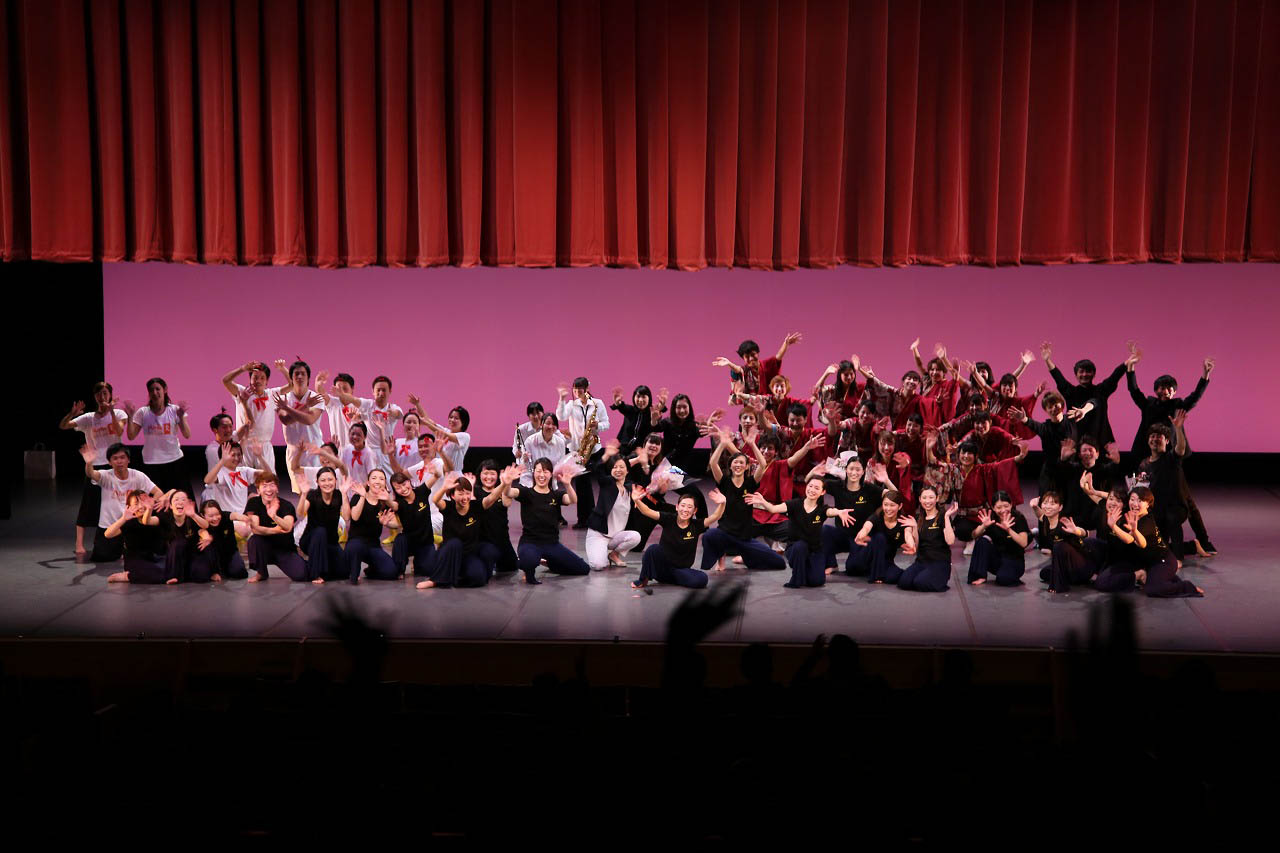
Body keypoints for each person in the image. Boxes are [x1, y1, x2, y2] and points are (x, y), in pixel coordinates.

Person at [1126, 351, 1215, 554]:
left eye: (1169, 388)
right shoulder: (1149, 404)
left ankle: (1204, 540)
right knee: (1144, 493)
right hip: (1148, 457)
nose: (1164, 391)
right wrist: (1130, 368)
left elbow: (1195, 397)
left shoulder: (1177, 405)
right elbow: (1134, 391)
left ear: (1174, 391)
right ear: (1156, 390)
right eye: (1161, 387)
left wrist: (1205, 375)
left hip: (1172, 457)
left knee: (1186, 499)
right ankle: (1148, 535)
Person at [746, 477, 856, 588]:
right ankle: (796, 579)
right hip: (795, 549)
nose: (812, 490)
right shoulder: (795, 504)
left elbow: (831, 511)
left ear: (822, 492)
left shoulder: (822, 509)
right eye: (810, 486)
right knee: (801, 546)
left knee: (816, 581)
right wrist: (763, 502)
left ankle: (805, 571)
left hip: (814, 550)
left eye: (816, 488)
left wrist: (839, 512)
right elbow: (773, 509)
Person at [698, 437, 787, 573]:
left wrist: (752, 444)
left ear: (746, 467)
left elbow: (762, 464)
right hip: (725, 534)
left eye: (741, 463)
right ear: (730, 466)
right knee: (709, 535)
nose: (738, 465)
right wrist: (722, 444)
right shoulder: (724, 482)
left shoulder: (750, 483)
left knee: (779, 563)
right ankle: (721, 556)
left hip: (745, 538)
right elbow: (713, 463)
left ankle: (747, 557)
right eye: (735, 462)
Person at [61, 382, 128, 555]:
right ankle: (79, 544)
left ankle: (123, 544)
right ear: (95, 397)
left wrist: (111, 411)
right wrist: (72, 414)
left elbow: (119, 432)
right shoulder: (89, 418)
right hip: (95, 464)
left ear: (110, 395)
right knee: (88, 503)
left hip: (115, 465)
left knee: (118, 504)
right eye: (98, 394)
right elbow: (63, 425)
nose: (102, 396)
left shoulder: (119, 413)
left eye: (105, 393)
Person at [415, 473, 507, 589]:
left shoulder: (476, 507)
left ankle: (454, 579)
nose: (465, 497)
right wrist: (444, 488)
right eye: (461, 494)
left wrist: (504, 483)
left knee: (479, 578)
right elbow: (435, 500)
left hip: (468, 554)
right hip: (450, 552)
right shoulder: (448, 507)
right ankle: (435, 581)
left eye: (467, 493)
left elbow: (491, 497)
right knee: (455, 543)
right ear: (453, 496)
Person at [510, 458, 591, 584]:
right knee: (529, 561)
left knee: (583, 568)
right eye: (538, 471)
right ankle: (525, 562)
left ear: (551, 474)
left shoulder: (556, 495)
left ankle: (549, 563)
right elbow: (510, 492)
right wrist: (507, 482)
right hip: (530, 542)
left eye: (545, 472)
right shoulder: (526, 493)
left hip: (552, 544)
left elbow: (573, 500)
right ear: (534, 473)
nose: (541, 475)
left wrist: (567, 484)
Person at [629, 486, 728, 589]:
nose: (685, 510)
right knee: (653, 549)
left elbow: (715, 516)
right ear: (677, 507)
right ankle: (643, 580)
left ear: (695, 510)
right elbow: (647, 511)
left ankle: (674, 579)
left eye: (689, 507)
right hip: (662, 569)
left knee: (702, 579)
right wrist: (636, 500)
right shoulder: (668, 519)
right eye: (683, 506)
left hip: (680, 571)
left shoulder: (696, 525)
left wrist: (723, 503)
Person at [80, 443, 165, 563]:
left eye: (122, 457)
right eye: (115, 458)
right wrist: (89, 463)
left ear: (128, 460)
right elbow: (91, 474)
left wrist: (147, 507)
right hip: (110, 525)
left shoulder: (138, 476)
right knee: (101, 557)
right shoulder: (106, 476)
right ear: (110, 462)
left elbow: (158, 493)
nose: (119, 461)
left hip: (132, 525)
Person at [1040, 341, 1130, 447]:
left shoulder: (1101, 390)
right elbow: (1058, 377)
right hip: (1077, 443)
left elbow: (1115, 376)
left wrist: (1128, 362)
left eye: (1088, 371)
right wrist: (1047, 360)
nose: (1084, 374)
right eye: (1081, 371)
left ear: (1094, 374)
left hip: (1101, 441)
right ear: (1076, 374)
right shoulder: (1071, 392)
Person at [1006, 391, 1093, 495]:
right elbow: (1034, 425)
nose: (1053, 409)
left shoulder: (1072, 419)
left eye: (1056, 405)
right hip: (1051, 473)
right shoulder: (1045, 428)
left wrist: (1084, 410)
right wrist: (1023, 419)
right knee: (1046, 501)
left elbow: (1094, 401)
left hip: (1070, 470)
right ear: (1046, 410)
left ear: (1062, 404)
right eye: (1050, 407)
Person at [1133, 411, 1190, 563]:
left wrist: (1178, 428)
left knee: (1172, 518)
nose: (1155, 439)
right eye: (1152, 436)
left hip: (1175, 508)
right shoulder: (1144, 464)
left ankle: (1178, 558)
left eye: (1159, 437)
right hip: (1156, 510)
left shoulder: (1171, 458)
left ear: (1167, 441)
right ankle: (1191, 546)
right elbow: (1141, 488)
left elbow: (1181, 448)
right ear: (1148, 441)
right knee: (1159, 543)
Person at [815, 456, 884, 574]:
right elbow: (811, 484)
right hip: (842, 535)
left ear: (863, 472)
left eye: (858, 469)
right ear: (846, 470)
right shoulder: (837, 486)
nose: (854, 472)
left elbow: (894, 496)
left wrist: (886, 481)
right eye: (851, 469)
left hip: (860, 537)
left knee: (854, 568)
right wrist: (813, 473)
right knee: (824, 530)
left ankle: (863, 559)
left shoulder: (869, 488)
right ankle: (831, 564)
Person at [557, 377, 611, 528]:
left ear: (587, 388)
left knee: (601, 484)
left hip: (594, 449)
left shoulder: (598, 403)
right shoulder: (571, 404)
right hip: (578, 450)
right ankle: (583, 520)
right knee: (581, 487)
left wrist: (598, 425)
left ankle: (599, 517)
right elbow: (561, 416)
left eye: (580, 389)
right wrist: (562, 399)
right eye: (575, 389)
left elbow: (607, 423)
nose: (577, 392)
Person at [124, 377, 191, 493]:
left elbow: (187, 435)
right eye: (151, 390)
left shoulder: (174, 410)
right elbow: (131, 436)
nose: (154, 393)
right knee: (154, 499)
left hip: (174, 459)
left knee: (178, 497)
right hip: (151, 461)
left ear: (165, 390)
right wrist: (130, 417)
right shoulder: (143, 412)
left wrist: (180, 417)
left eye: (157, 389)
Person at [583, 442, 643, 570]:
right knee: (598, 565)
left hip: (615, 537)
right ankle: (600, 551)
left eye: (621, 467)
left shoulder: (629, 488)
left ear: (627, 470)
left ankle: (614, 554)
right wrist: (606, 456)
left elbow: (646, 486)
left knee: (635, 537)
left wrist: (640, 461)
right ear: (610, 470)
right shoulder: (608, 483)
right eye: (614, 467)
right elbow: (597, 470)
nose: (618, 470)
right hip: (599, 534)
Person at [271, 360, 325, 492]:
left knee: (317, 491)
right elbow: (285, 420)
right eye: (296, 374)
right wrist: (306, 406)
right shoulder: (283, 398)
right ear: (291, 378)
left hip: (313, 450)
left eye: (303, 374)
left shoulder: (316, 398)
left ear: (308, 378)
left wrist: (287, 408)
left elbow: (309, 420)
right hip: (294, 451)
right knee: (301, 492)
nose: (300, 377)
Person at [220, 359, 283, 470]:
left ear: (267, 381)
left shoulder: (272, 394)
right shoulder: (242, 392)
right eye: (255, 377)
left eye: (262, 378)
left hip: (264, 445)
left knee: (267, 478)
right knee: (243, 478)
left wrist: (283, 369)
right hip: (244, 444)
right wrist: (242, 369)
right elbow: (225, 381)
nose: (258, 380)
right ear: (250, 379)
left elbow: (291, 385)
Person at [102, 491, 176, 584]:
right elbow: (108, 534)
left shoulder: (156, 517)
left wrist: (155, 504)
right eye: (136, 504)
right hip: (137, 559)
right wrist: (123, 518)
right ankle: (128, 576)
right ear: (129, 506)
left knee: (173, 568)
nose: (141, 506)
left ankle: (164, 576)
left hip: (156, 557)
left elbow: (147, 521)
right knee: (153, 572)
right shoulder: (129, 522)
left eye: (143, 502)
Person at [244, 472, 306, 582]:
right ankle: (261, 573)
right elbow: (255, 528)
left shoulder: (286, 505)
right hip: (264, 548)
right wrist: (275, 530)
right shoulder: (253, 502)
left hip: (284, 549)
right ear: (258, 490)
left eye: (272, 485)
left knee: (301, 575)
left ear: (277, 488)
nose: (268, 489)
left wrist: (274, 516)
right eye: (264, 486)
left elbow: (288, 526)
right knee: (254, 540)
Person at [202, 440, 271, 537]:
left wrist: (259, 456)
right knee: (250, 529)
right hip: (228, 519)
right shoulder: (221, 472)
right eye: (233, 455)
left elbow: (269, 475)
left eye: (239, 455)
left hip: (243, 517)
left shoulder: (243, 471)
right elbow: (207, 480)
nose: (237, 458)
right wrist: (222, 461)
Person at [295, 466, 349, 583]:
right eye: (323, 480)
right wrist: (303, 494)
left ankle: (313, 565)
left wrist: (345, 494)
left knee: (345, 573)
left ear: (335, 480)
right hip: (311, 541)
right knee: (320, 531)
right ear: (317, 482)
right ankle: (316, 573)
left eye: (330, 479)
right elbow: (300, 513)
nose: (327, 483)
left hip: (330, 542)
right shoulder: (313, 495)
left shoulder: (338, 495)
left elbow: (346, 517)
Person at [897, 487, 957, 592]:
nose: (927, 501)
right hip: (922, 561)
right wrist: (914, 528)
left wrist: (947, 517)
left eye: (931, 497)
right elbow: (916, 546)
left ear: (937, 498)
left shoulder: (943, 516)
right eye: (924, 498)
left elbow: (950, 541)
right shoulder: (918, 517)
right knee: (904, 582)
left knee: (920, 582)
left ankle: (938, 578)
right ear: (920, 499)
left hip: (939, 562)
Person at [345, 470, 399, 584]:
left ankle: (370, 570)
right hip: (355, 543)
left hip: (373, 545)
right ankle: (353, 572)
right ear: (368, 483)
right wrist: (363, 496)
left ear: (385, 483)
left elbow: (396, 524)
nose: (378, 481)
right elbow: (354, 516)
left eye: (381, 479)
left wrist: (387, 523)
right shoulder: (358, 497)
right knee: (355, 549)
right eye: (374, 478)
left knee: (392, 572)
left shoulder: (384, 502)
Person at [966, 491, 1030, 586]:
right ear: (993, 508)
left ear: (1011, 504)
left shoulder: (1018, 518)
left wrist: (1009, 530)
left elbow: (1024, 543)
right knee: (982, 541)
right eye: (999, 507)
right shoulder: (991, 517)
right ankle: (980, 575)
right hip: (998, 558)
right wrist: (983, 526)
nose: (1003, 510)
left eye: (1006, 506)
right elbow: (974, 535)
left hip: (1014, 559)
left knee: (1003, 579)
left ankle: (1006, 574)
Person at [848, 490, 914, 583]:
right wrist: (861, 535)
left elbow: (908, 534)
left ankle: (877, 572)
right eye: (885, 505)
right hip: (867, 557)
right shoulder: (877, 516)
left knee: (894, 577)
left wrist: (911, 545)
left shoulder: (903, 520)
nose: (888, 508)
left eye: (892, 505)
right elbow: (866, 527)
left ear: (900, 506)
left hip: (884, 560)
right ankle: (877, 574)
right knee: (880, 537)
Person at [712, 332, 801, 396]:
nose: (751, 358)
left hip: (771, 407)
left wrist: (786, 344)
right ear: (743, 358)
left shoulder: (767, 364)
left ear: (758, 353)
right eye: (747, 357)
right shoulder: (745, 370)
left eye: (753, 354)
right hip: (752, 411)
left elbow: (778, 357)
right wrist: (729, 364)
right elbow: (738, 369)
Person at [328, 374, 403, 450]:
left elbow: (398, 414)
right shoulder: (368, 405)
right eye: (378, 390)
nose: (381, 393)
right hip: (369, 451)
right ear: (373, 391)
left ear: (390, 391)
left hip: (386, 450)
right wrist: (342, 395)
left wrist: (393, 413)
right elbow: (354, 400)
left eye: (384, 390)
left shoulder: (393, 407)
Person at [474, 460, 520, 575]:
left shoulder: (503, 490)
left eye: (492, 474)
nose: (489, 477)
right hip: (483, 541)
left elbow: (507, 503)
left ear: (498, 475)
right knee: (485, 568)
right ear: (479, 474)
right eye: (485, 473)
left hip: (502, 540)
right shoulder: (475, 491)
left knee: (512, 567)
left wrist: (507, 482)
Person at [388, 471, 437, 578]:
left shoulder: (421, 491)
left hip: (425, 542)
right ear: (395, 490)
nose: (403, 489)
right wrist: (386, 498)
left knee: (428, 571)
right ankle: (400, 570)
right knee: (400, 539)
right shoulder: (399, 502)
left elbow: (436, 476)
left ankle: (418, 564)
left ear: (409, 481)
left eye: (404, 484)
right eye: (398, 488)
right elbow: (392, 505)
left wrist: (436, 471)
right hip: (409, 543)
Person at [154, 489, 208, 582]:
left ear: (188, 503)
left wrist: (193, 515)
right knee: (178, 543)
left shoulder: (192, 516)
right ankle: (173, 576)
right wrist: (149, 509)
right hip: (172, 557)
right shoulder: (165, 517)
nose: (180, 502)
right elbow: (147, 521)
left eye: (183, 500)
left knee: (201, 576)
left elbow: (205, 525)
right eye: (176, 500)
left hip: (190, 555)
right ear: (171, 505)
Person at [188, 499, 248, 582]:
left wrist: (242, 517)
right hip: (209, 555)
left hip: (229, 553)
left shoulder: (225, 516)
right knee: (201, 576)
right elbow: (202, 531)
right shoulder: (199, 521)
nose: (215, 518)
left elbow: (233, 515)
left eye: (217, 514)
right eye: (211, 516)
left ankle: (224, 569)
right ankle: (214, 571)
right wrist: (207, 537)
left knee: (239, 572)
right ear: (203, 515)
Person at [418, 403, 471, 476]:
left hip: (455, 475)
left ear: (463, 422)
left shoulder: (465, 436)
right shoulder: (446, 431)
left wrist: (426, 423)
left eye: (456, 418)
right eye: (451, 417)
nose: (452, 420)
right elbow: (428, 420)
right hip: (441, 473)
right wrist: (417, 404)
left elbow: (444, 435)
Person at [611, 384, 666, 452]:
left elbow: (658, 428)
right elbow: (622, 407)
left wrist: (654, 419)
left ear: (649, 398)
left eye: (643, 397)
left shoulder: (653, 413)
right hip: (622, 448)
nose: (640, 400)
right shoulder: (630, 410)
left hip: (640, 452)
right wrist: (617, 403)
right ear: (634, 397)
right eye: (638, 396)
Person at [518, 412, 569, 484]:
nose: (550, 427)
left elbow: (561, 466)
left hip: (550, 483)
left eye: (554, 424)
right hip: (530, 482)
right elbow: (524, 465)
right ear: (541, 425)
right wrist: (524, 459)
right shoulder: (530, 441)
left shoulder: (560, 442)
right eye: (548, 423)